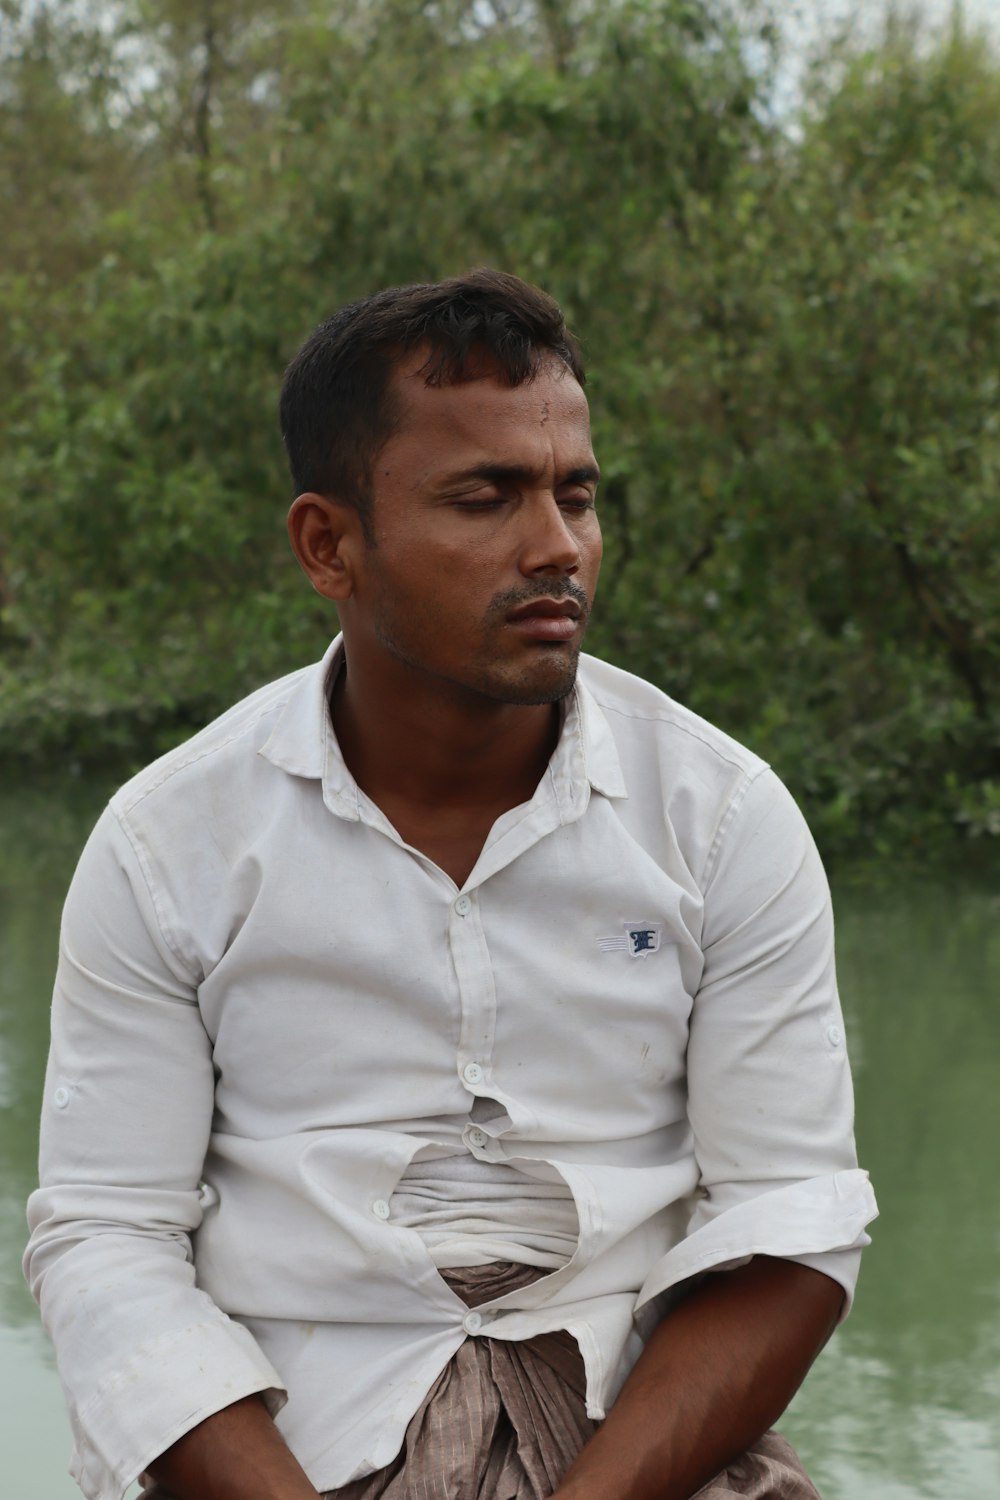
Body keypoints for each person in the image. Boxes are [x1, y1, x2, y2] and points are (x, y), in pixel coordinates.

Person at [25, 269, 877, 1500]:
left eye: (575, 495)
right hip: (286, 1457)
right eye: (485, 498)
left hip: (636, 1454)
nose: (557, 548)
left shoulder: (721, 819)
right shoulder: (171, 843)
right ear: (329, 544)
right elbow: (109, 1239)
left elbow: (792, 1219)